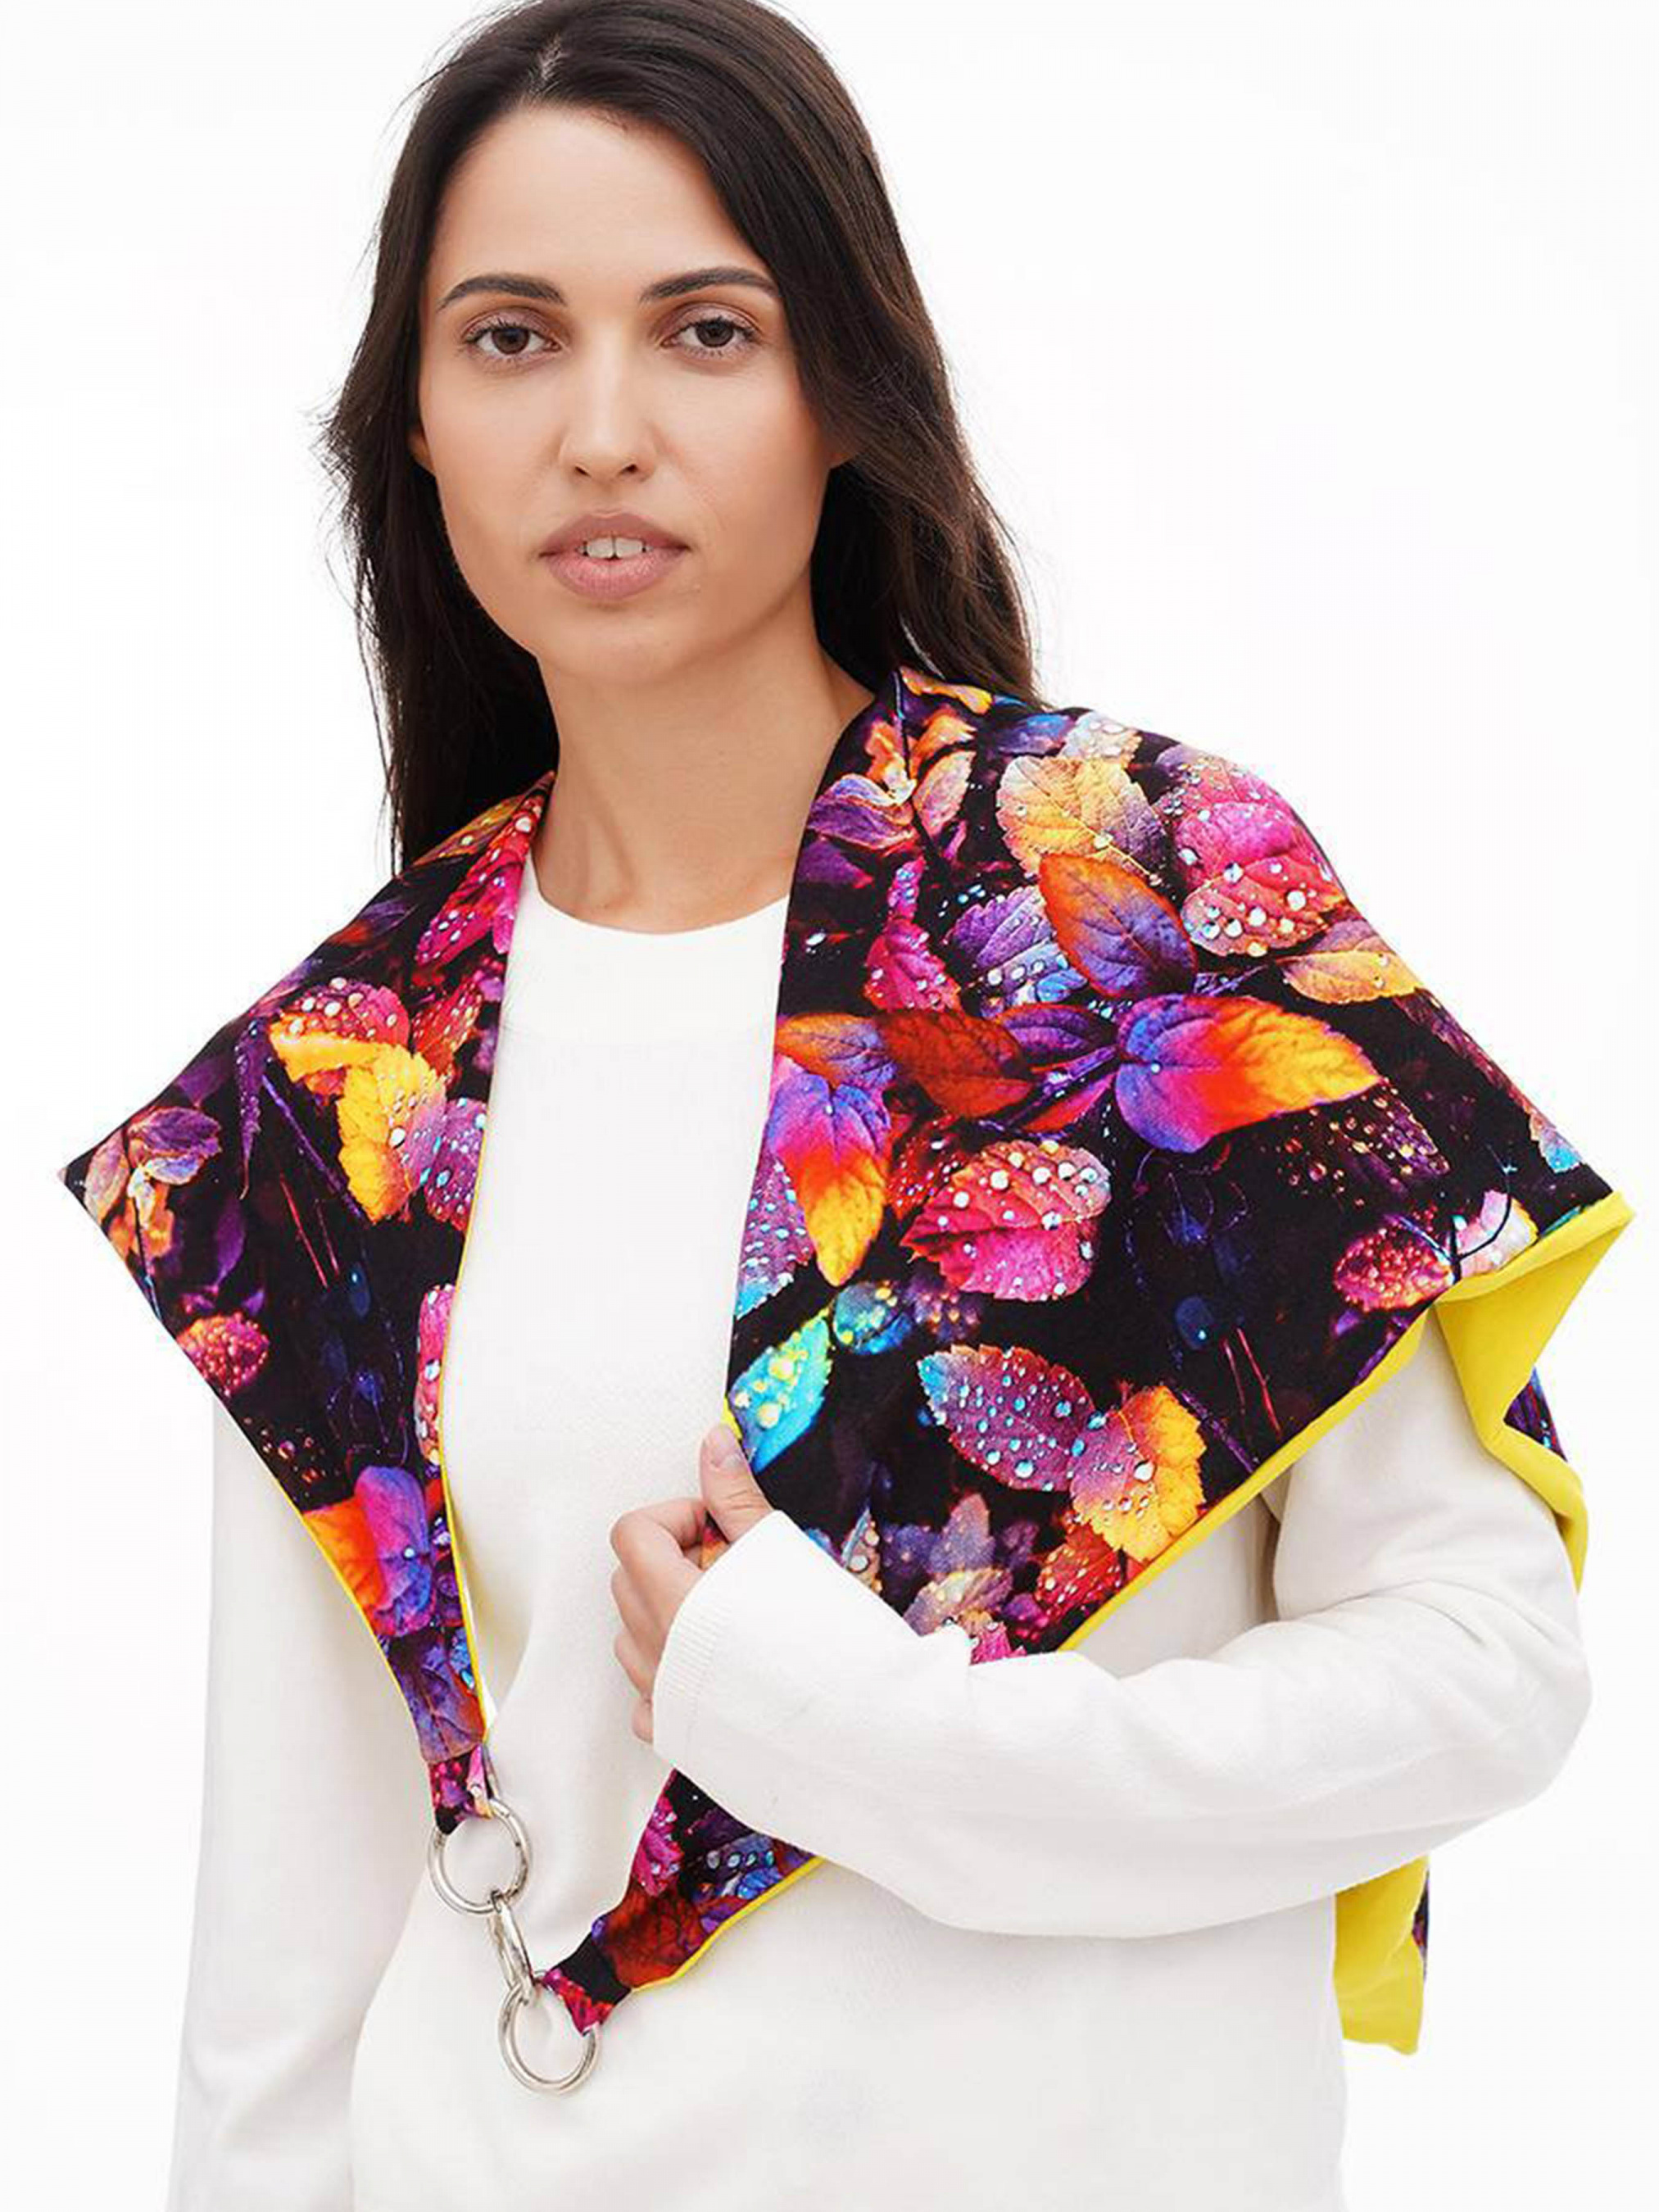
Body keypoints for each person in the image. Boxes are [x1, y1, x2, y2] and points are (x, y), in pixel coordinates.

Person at [67, 4, 1617, 2207]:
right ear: (413, 418)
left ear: (842, 390)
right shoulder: (333, 1088)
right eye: (511, 339)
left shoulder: (1121, 901)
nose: (602, 432)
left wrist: (870, 1741)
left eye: (706, 331)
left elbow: (1481, 1674)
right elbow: (292, 1956)